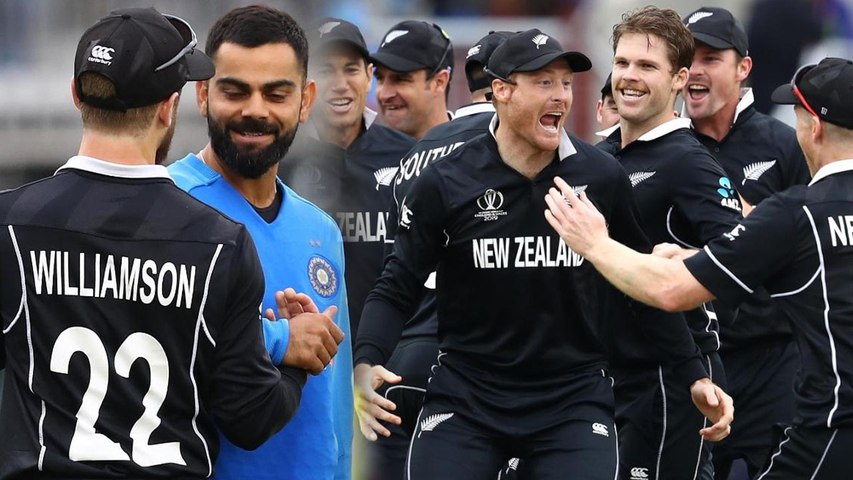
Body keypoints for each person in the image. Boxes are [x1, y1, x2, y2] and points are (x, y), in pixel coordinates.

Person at [354, 28, 731, 480]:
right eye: (544, 82)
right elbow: (397, 285)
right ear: (502, 91)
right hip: (467, 397)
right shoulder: (446, 179)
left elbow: (641, 288)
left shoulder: (600, 176)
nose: (560, 96)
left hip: (572, 400)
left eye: (566, 84)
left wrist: (694, 375)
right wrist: (366, 360)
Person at [0, 7, 319, 478]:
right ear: (170, 108)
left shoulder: (11, 222)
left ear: (76, 95)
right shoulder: (221, 244)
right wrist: (295, 361)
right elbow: (250, 418)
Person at [546, 55, 853, 480]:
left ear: (813, 127)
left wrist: (595, 243)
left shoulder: (797, 212)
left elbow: (671, 290)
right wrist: (694, 257)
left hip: (834, 428)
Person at [167, 6, 352, 480]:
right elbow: (164, 338)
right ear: (203, 95)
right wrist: (281, 339)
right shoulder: (164, 206)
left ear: (306, 101)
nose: (255, 110)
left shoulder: (320, 230)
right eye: (235, 92)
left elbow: (333, 401)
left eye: (276, 94)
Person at [598, 7, 744, 479]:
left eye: (647, 66)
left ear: (680, 78)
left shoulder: (690, 163)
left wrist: (686, 260)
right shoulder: (597, 158)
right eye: (622, 63)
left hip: (671, 377)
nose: (629, 76)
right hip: (598, 373)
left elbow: (743, 261)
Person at [358, 30, 511, 480]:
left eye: (401, 78)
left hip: (399, 364)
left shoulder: (413, 156)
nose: (386, 92)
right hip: (482, 368)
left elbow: (396, 278)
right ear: (508, 86)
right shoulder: (517, 148)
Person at [681, 7, 812, 478]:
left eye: (710, 58)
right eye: (687, 59)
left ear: (743, 68)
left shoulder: (786, 144)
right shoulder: (660, 150)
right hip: (689, 361)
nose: (695, 70)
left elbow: (815, 246)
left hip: (773, 361)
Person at [279, 18, 415, 338]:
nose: (340, 84)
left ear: (369, 77)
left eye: (351, 69)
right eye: (326, 70)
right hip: (306, 346)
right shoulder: (281, 160)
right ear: (306, 84)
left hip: (390, 350)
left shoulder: (409, 157)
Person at [371, 20, 454, 140]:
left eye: (400, 79)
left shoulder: (473, 148)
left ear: (439, 83)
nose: (385, 95)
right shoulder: (360, 149)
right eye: (380, 78)